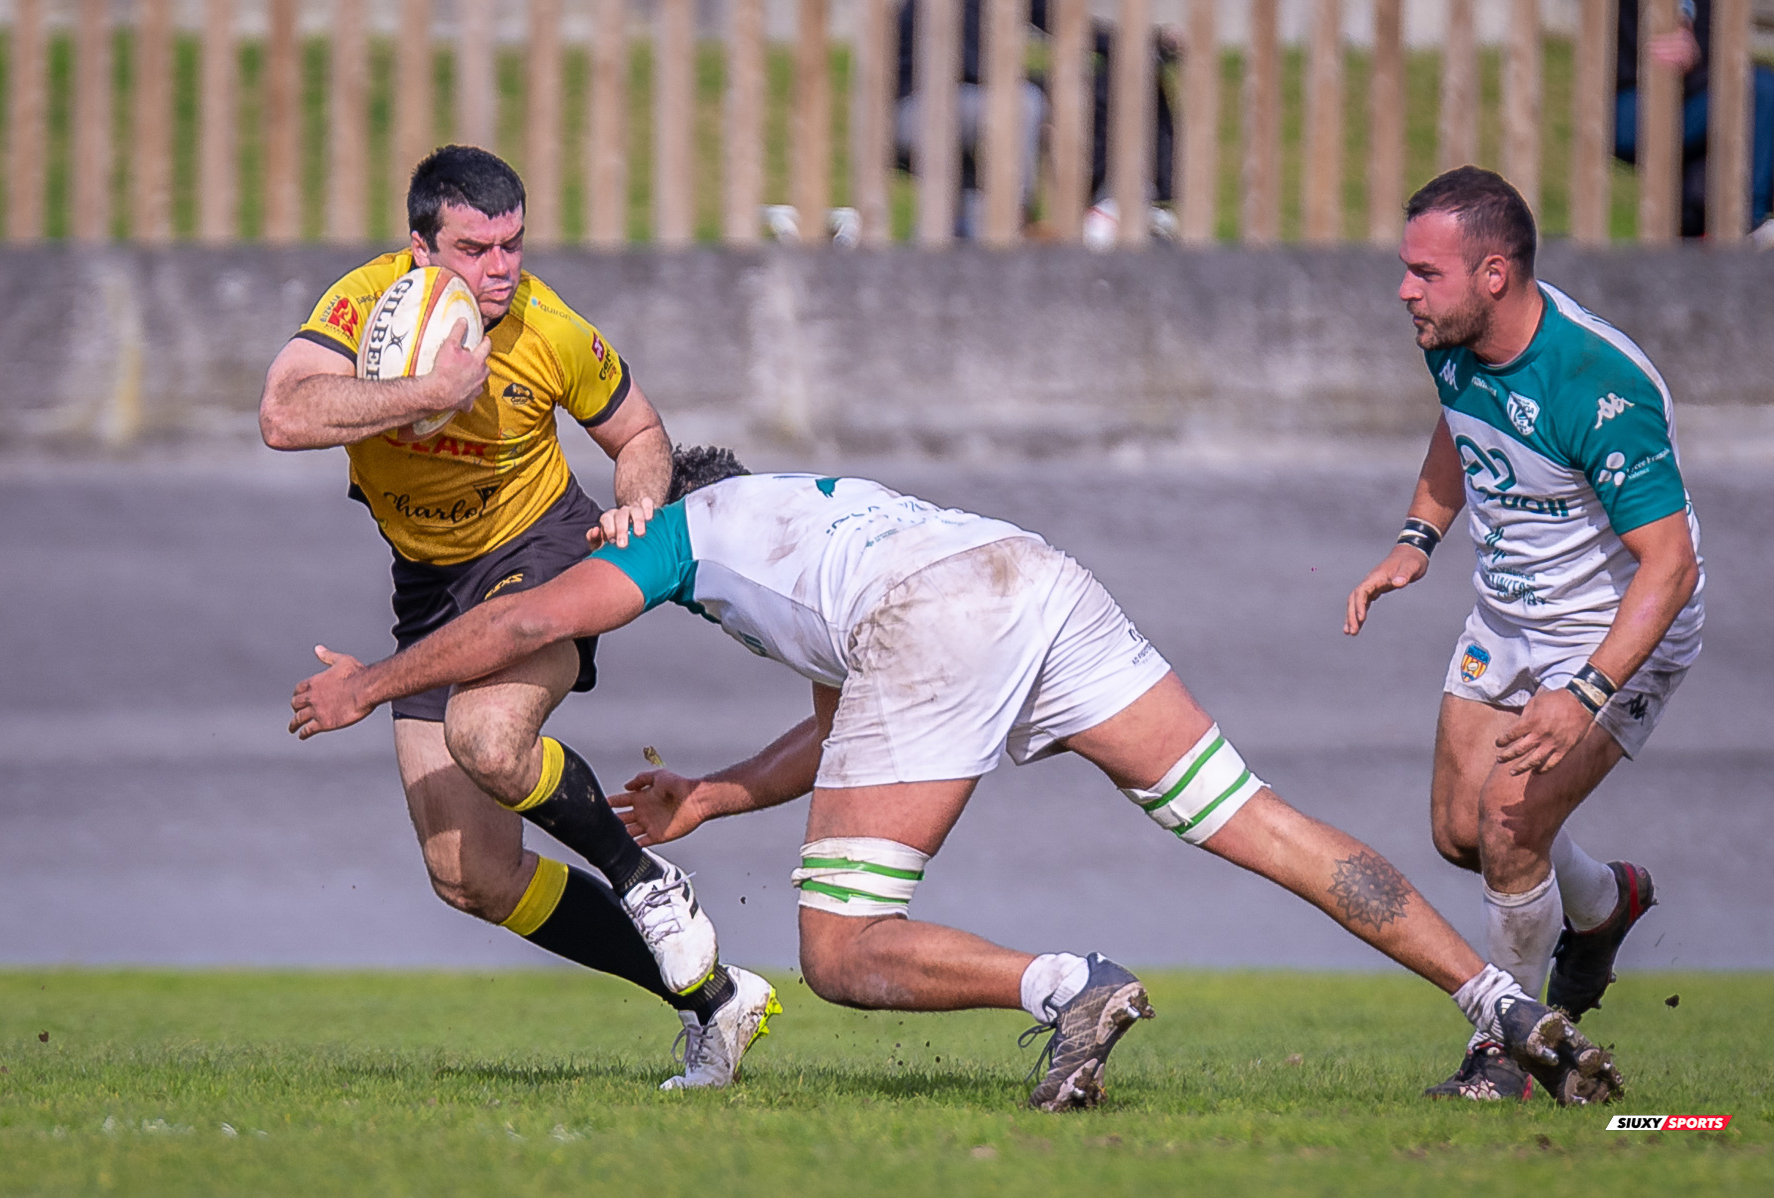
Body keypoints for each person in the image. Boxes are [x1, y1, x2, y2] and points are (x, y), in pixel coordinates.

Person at [290, 447, 1625, 1111]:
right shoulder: (810, 514)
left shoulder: (675, 536)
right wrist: (712, 796)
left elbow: (529, 620)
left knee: (838, 949)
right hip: (1032, 576)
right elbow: (847, 720)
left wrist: (373, 684)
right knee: (1253, 817)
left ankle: (1072, 985)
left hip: (939, 616)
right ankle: (1503, 1003)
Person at [258, 145, 777, 1090]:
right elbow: (283, 416)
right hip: (430, 587)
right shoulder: (367, 305)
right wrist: (430, 392)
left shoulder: (547, 326)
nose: (499, 270)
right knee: (471, 877)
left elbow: (640, 432)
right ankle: (716, 998)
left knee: (487, 738)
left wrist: (635, 501)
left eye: (513, 245)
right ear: (420, 248)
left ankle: (646, 882)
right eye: (474, 249)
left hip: (542, 555)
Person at [1346, 166, 1702, 1100]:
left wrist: (1584, 693)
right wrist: (1417, 538)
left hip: (1617, 629)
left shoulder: (1597, 383)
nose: (1405, 290)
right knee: (1459, 834)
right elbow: (1461, 428)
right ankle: (1605, 905)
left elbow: (1670, 567)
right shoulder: (1452, 339)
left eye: (1426, 273)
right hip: (1508, 616)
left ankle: (1507, 1051)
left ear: (1494, 274)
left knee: (1509, 823)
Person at [892, 0, 1176, 240]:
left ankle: (955, 249)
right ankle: (1013, 221)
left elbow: (1067, 26)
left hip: (969, 103)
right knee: (1023, 104)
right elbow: (973, 68)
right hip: (914, 109)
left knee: (965, 213)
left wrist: (1148, 43)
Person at [1613, 0, 1774, 239]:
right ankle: (1744, 226)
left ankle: (1705, 231)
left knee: (1755, 96)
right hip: (1628, 106)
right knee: (1758, 91)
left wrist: (1693, 50)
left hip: (1690, 100)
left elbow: (1715, 51)